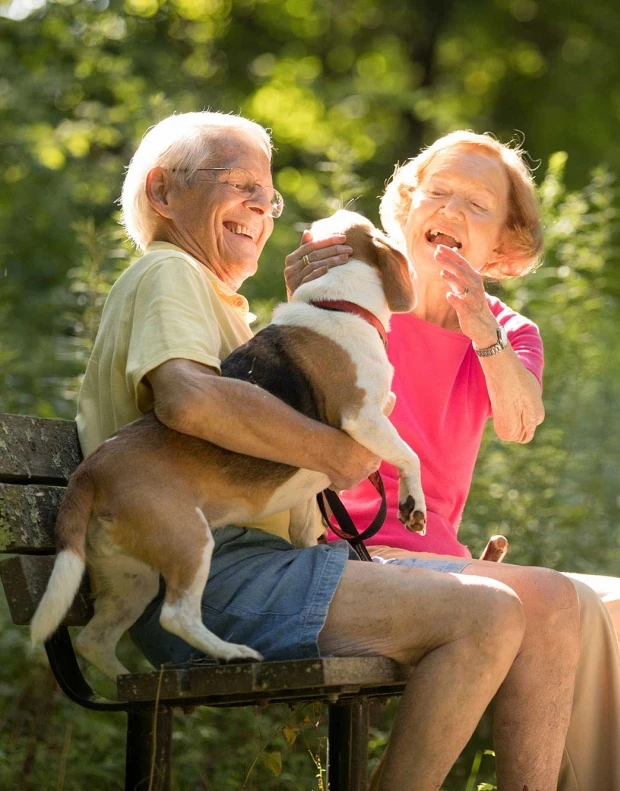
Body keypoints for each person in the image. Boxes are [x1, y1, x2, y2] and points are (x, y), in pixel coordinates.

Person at [76, 111, 581, 791]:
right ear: (164, 195)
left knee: (520, 607)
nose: (260, 204)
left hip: (255, 562)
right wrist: (339, 451)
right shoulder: (171, 275)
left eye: (267, 192)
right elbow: (190, 401)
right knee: (491, 613)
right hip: (212, 574)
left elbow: (246, 409)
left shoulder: (222, 302)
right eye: (239, 183)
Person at [285, 130, 620, 790]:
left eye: (476, 204)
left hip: (440, 563)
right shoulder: (361, 296)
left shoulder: (508, 332)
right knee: (559, 600)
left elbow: (519, 419)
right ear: (408, 209)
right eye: (437, 193)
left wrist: (480, 325)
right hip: (351, 554)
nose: (449, 211)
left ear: (503, 248)